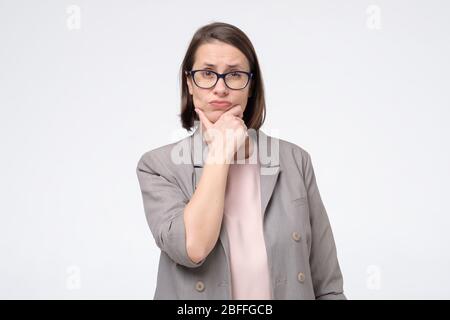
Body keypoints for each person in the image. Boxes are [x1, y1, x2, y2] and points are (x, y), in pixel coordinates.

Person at [136, 21, 346, 300]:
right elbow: (193, 248)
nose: (220, 88)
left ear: (251, 85)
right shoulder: (158, 165)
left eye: (234, 75)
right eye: (207, 73)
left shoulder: (295, 160)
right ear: (189, 83)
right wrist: (221, 152)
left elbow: (328, 285)